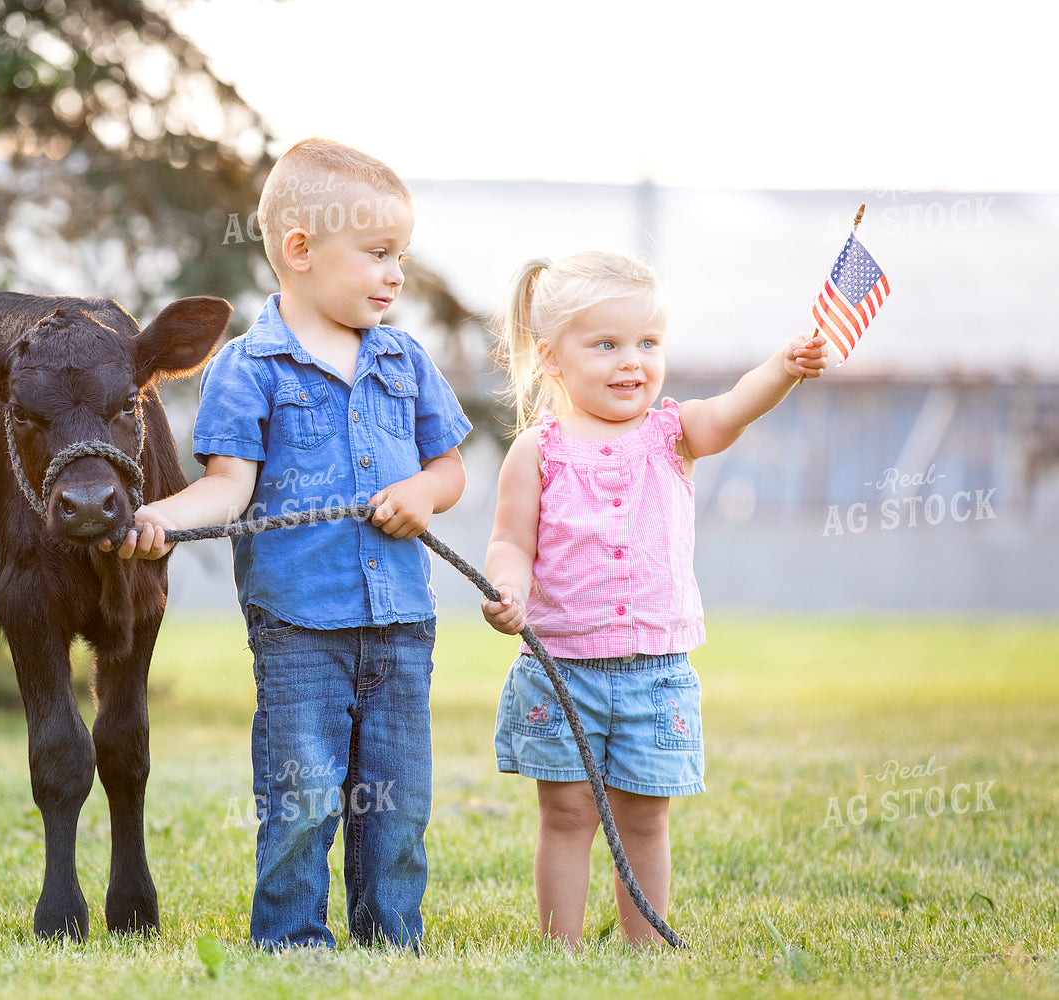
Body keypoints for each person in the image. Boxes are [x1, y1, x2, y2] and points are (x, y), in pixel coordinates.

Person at [108, 137, 471, 950]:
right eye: (377, 253)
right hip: (301, 629)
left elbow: (448, 469)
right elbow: (227, 488)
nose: (396, 274)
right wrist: (160, 518)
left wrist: (423, 494)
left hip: (401, 623)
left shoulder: (404, 360)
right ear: (301, 250)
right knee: (302, 799)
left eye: (401, 255)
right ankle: (291, 942)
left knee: (399, 803)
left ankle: (391, 941)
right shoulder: (248, 368)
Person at [481, 251, 828, 948]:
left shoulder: (672, 434)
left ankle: (644, 950)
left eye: (648, 343)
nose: (631, 362)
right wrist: (508, 588)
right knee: (568, 816)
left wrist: (783, 367)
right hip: (563, 670)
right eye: (606, 345)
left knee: (644, 819)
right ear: (550, 357)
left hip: (657, 673)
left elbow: (734, 408)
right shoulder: (538, 450)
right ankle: (559, 949)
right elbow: (510, 542)